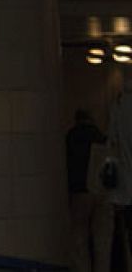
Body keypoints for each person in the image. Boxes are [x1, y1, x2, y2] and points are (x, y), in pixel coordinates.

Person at [67, 108, 111, 272]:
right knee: (103, 241)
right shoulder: (101, 137)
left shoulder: (71, 137)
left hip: (79, 192)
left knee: (79, 238)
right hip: (102, 193)